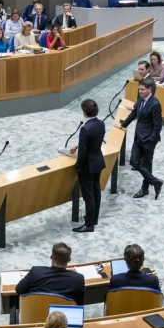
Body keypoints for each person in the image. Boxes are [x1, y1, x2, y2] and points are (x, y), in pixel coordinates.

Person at [116, 78, 164, 200]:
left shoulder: (155, 104)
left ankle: (145, 189)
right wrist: (122, 125)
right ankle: (155, 182)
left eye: (142, 89)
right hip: (138, 137)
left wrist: (151, 141)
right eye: (139, 89)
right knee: (134, 161)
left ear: (149, 89)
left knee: (147, 164)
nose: (140, 91)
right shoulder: (141, 99)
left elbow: (158, 125)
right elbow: (133, 114)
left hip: (148, 140)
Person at [67, 99, 104, 232]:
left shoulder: (85, 128)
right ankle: (93, 218)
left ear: (84, 112)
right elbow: (93, 142)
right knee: (96, 190)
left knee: (88, 195)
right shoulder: (101, 124)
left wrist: (78, 166)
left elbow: (83, 152)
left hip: (87, 166)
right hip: (98, 161)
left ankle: (89, 225)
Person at [15, 242, 85, 304]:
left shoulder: (35, 272)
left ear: (51, 257)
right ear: (69, 259)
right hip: (63, 318)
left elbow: (19, 290)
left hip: (35, 316)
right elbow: (78, 303)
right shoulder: (78, 279)